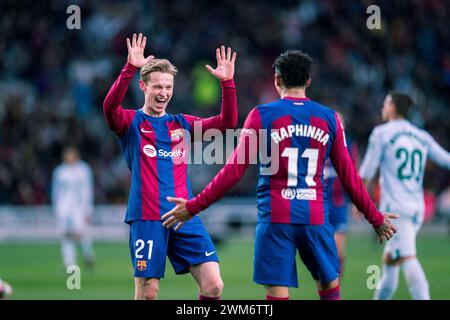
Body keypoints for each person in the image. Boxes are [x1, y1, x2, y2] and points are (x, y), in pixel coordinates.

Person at [162, 50, 398, 300]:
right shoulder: (329, 118)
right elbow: (349, 176)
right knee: (329, 288)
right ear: (308, 81)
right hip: (315, 218)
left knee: (276, 293)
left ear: (276, 80)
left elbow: (233, 171)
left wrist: (194, 206)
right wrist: (375, 218)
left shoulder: (262, 116)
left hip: (275, 218)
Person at [103, 33, 237, 300]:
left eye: (168, 87)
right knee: (149, 292)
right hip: (147, 215)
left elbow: (226, 124)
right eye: (157, 87)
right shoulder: (130, 123)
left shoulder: (181, 124)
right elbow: (109, 107)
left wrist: (228, 83)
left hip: (183, 213)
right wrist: (130, 67)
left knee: (213, 285)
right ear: (143, 86)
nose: (163, 93)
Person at [359, 92, 450, 300]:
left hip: (396, 211)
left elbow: (366, 172)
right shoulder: (421, 135)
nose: (383, 107)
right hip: (416, 208)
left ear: (392, 107)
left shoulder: (381, 133)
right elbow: (446, 159)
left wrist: (359, 201)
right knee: (390, 262)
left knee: (408, 258)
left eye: (385, 103)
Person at [323, 110, 359, 280]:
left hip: (337, 203)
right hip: (318, 202)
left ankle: (335, 284)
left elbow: (353, 175)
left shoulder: (350, 145)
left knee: (338, 249)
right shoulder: (317, 141)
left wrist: (355, 202)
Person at [51, 146, 95, 270]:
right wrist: (56, 209)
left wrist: (88, 209)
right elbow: (56, 191)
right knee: (65, 235)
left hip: (79, 208)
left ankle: (88, 255)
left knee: (81, 233)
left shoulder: (83, 169)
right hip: (63, 208)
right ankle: (69, 262)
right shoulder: (60, 171)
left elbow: (88, 190)